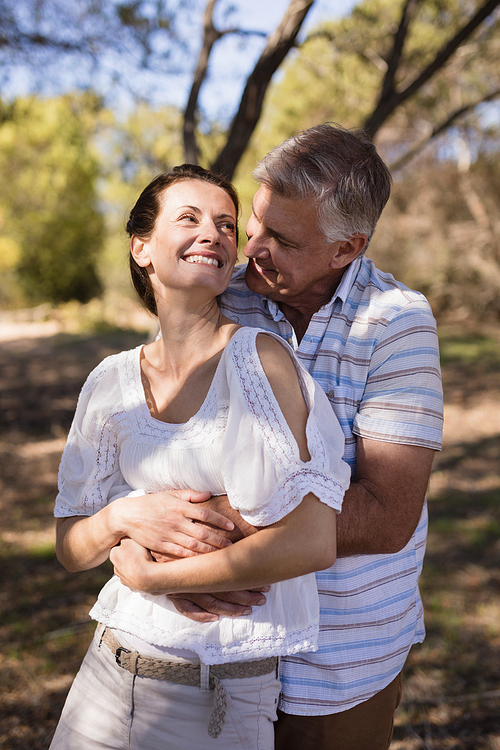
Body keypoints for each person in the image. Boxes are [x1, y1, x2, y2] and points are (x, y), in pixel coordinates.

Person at [161, 124, 444, 750]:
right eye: (254, 223)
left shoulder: (395, 323)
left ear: (347, 248)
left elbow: (386, 515)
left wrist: (206, 532)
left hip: (337, 664)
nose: (251, 246)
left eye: (281, 240)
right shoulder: (227, 298)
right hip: (220, 647)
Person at [50, 164, 351, 750]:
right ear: (142, 247)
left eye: (226, 224)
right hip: (106, 675)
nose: (213, 233)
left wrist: (154, 575)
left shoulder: (260, 363)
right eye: (188, 218)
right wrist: (121, 520)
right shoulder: (110, 382)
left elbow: (311, 539)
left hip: (220, 695)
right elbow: (69, 545)